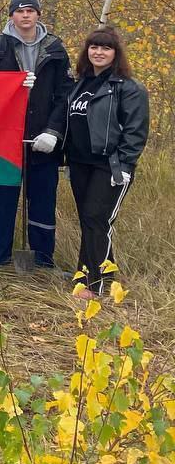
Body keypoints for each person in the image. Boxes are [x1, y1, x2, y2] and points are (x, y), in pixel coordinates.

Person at [0, 0, 73, 270]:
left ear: (38, 15)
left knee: (43, 201)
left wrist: (53, 131)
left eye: (30, 10)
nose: (25, 16)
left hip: (42, 139)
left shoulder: (55, 49)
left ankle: (42, 260)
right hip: (5, 140)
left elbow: (65, 95)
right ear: (12, 16)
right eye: (20, 11)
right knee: (2, 200)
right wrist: (10, 87)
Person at [61, 27, 148, 299]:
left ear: (115, 53)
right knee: (89, 221)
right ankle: (101, 277)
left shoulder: (128, 88)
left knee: (97, 219)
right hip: (80, 164)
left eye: (106, 48)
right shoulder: (80, 84)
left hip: (110, 165)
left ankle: (93, 285)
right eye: (94, 47)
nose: (99, 52)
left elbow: (135, 132)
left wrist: (124, 165)